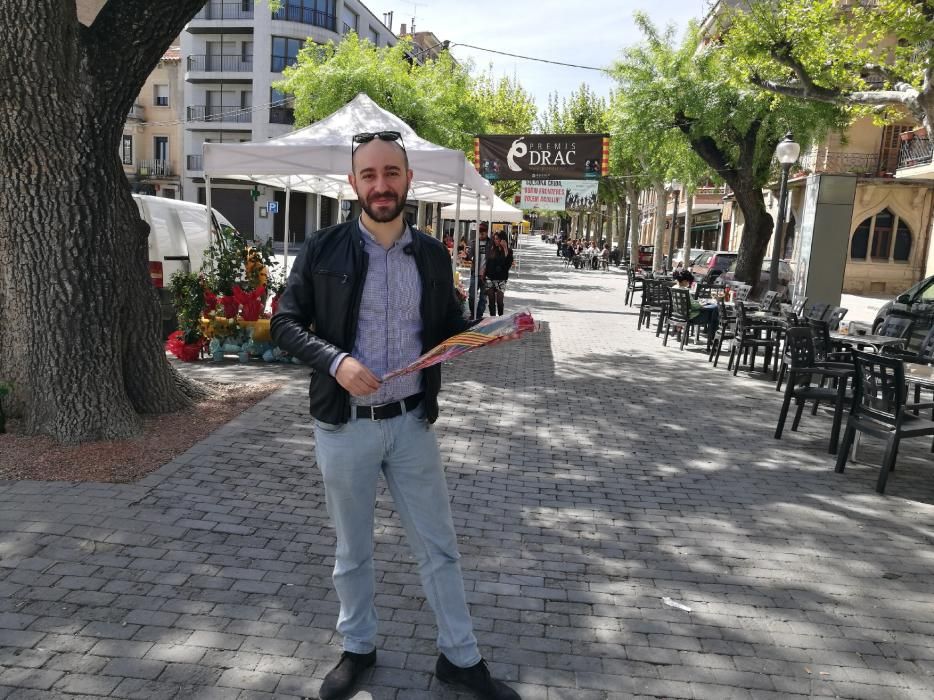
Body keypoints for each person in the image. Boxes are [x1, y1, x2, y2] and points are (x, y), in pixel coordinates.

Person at [270, 130, 520, 700]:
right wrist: (335, 362)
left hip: (410, 425)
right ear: (353, 183)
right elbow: (285, 323)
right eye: (369, 175)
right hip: (344, 425)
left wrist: (482, 337)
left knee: (439, 548)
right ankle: (358, 648)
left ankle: (460, 658)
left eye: (391, 173)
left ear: (409, 179)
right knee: (352, 550)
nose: (380, 185)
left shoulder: (430, 254)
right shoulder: (322, 249)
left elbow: (446, 330)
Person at [484, 231, 514, 316]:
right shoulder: (492, 249)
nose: (495, 240)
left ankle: (501, 318)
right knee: (491, 300)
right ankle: (492, 319)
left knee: (500, 301)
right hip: (490, 277)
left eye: (497, 239)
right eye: (494, 238)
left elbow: (507, 265)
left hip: (501, 278)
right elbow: (489, 264)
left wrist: (505, 249)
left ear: (502, 240)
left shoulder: (509, 251)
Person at [467, 223, 489, 320]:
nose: (481, 234)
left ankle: (478, 315)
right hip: (474, 273)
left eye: (483, 232)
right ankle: (473, 313)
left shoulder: (491, 243)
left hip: (486, 276)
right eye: (479, 232)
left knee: (483, 298)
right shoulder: (474, 242)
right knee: (471, 295)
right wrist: (466, 255)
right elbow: (469, 256)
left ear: (486, 232)